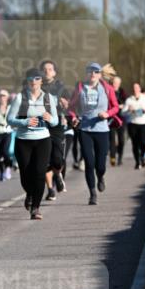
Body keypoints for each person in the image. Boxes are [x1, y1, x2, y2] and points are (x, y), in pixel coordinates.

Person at [7, 68, 58, 220]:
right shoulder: (19, 98)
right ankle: (29, 193)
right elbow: (9, 119)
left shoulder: (48, 98)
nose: (34, 81)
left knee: (40, 173)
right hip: (23, 140)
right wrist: (25, 121)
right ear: (27, 81)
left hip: (43, 140)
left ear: (41, 81)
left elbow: (55, 121)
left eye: (37, 78)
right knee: (25, 173)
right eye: (31, 79)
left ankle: (35, 207)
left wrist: (50, 118)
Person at [67, 62, 120, 205]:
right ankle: (92, 194)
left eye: (96, 72)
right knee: (89, 163)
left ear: (100, 74)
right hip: (85, 130)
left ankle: (101, 176)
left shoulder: (107, 88)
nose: (93, 74)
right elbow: (71, 107)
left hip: (102, 130)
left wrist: (107, 113)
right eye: (90, 71)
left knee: (100, 165)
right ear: (87, 73)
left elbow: (116, 107)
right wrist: (73, 117)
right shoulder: (79, 88)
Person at [40, 59, 71, 200]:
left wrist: (65, 104)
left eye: (50, 69)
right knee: (45, 159)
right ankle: (50, 189)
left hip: (56, 125)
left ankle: (58, 174)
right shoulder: (36, 86)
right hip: (41, 125)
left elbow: (69, 104)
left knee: (57, 159)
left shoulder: (61, 87)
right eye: (45, 69)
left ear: (55, 72)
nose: (47, 71)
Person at [122, 82, 145, 168]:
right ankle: (137, 162)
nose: (135, 89)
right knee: (135, 143)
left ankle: (142, 157)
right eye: (133, 88)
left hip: (143, 123)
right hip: (132, 124)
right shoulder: (129, 100)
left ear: (140, 89)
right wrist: (129, 110)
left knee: (143, 142)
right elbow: (123, 113)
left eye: (137, 88)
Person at [107, 71, 127, 166]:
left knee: (121, 139)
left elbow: (126, 104)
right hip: (111, 118)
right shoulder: (109, 90)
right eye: (114, 82)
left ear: (120, 84)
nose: (116, 84)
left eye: (117, 83)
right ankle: (113, 157)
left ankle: (120, 157)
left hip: (121, 117)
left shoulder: (122, 92)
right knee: (111, 139)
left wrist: (122, 106)